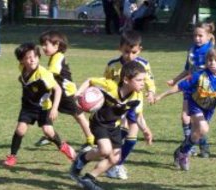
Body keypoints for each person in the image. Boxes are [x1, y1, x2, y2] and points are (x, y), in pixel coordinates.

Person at [70, 61, 152, 190]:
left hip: (114, 126)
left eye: (144, 80)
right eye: (139, 80)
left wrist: (146, 130)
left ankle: (89, 178)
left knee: (115, 158)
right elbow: (89, 81)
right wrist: (79, 94)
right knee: (105, 150)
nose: (143, 83)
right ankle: (81, 158)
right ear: (126, 79)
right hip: (99, 122)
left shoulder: (137, 97)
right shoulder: (110, 86)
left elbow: (137, 115)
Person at [155, 46, 216, 171]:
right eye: (209, 60)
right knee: (204, 128)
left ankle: (181, 152)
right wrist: (161, 95)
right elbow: (179, 87)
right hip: (195, 105)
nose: (212, 63)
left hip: (208, 109)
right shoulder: (199, 75)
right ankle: (184, 154)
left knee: (196, 134)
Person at [3, 42, 76, 167]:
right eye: (28, 57)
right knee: (20, 130)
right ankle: (12, 156)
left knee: (48, 132)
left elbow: (57, 90)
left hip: (44, 108)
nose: (32, 60)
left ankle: (63, 146)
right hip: (28, 107)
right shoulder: (22, 68)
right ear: (21, 61)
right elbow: (25, 79)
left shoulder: (43, 74)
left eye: (35, 56)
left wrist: (54, 109)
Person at [104, 30, 154, 180]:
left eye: (134, 52)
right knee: (123, 129)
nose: (130, 56)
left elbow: (149, 80)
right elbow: (105, 83)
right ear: (120, 48)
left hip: (135, 103)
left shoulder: (144, 64)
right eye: (127, 52)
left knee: (132, 135)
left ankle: (117, 163)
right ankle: (111, 158)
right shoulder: (113, 65)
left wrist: (151, 91)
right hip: (117, 105)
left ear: (139, 50)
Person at [36, 30, 95, 148]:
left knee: (78, 115)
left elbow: (52, 73)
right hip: (57, 91)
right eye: (42, 44)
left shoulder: (58, 56)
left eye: (45, 44)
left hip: (66, 93)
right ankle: (49, 134)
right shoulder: (54, 56)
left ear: (56, 45)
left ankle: (91, 139)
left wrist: (38, 75)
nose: (43, 47)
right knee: (46, 110)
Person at [166, 22, 215, 158]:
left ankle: (203, 145)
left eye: (200, 35)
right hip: (190, 87)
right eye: (195, 35)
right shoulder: (191, 50)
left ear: (209, 36)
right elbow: (188, 69)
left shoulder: (211, 51)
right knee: (185, 117)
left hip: (205, 90)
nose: (197, 38)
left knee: (200, 122)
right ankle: (190, 144)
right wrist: (175, 80)